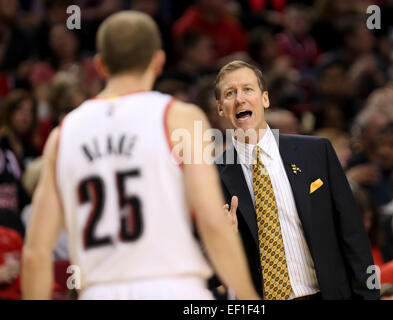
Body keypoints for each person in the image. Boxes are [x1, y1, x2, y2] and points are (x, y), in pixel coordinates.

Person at [21, 11, 259, 300]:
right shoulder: (179, 118)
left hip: (99, 291)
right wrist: (248, 298)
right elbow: (212, 222)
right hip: (173, 287)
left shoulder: (64, 134)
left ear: (100, 65)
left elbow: (35, 254)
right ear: (158, 61)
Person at [214, 60, 379, 300]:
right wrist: (221, 241)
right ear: (220, 108)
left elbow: (353, 235)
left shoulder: (317, 152)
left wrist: (368, 297)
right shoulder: (211, 176)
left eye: (248, 89)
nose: (240, 99)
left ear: (265, 99)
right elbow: (206, 270)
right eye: (230, 93)